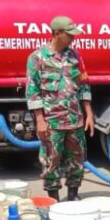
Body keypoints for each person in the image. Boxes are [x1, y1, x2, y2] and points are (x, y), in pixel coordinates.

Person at [26, 15, 94, 201]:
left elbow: (84, 84)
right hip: (52, 121)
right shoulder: (37, 58)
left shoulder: (75, 56)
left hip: (75, 119)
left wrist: (88, 113)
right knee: (51, 162)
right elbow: (32, 91)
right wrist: (40, 120)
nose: (74, 37)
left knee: (77, 160)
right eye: (69, 34)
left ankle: (73, 195)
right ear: (57, 33)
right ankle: (54, 201)